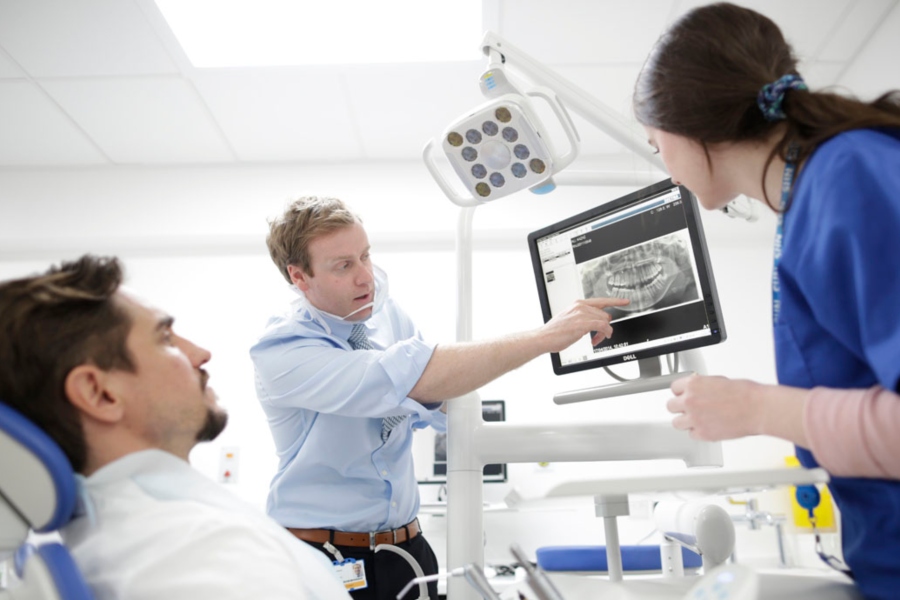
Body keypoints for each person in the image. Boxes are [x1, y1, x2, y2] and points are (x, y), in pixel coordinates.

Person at [632, 3, 900, 598]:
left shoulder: (848, 177)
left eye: (656, 146)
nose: (666, 171)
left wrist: (757, 410)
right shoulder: (811, 193)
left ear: (685, 129)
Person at [251, 196, 629, 600]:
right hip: (320, 555)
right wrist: (544, 338)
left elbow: (440, 392)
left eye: (365, 256)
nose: (367, 278)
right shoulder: (283, 351)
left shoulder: (387, 317)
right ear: (300, 277)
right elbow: (408, 376)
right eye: (344, 266)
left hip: (406, 549)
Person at [0, 255, 352, 600]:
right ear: (100, 394)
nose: (201, 353)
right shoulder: (196, 553)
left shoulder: (147, 534)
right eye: (165, 338)